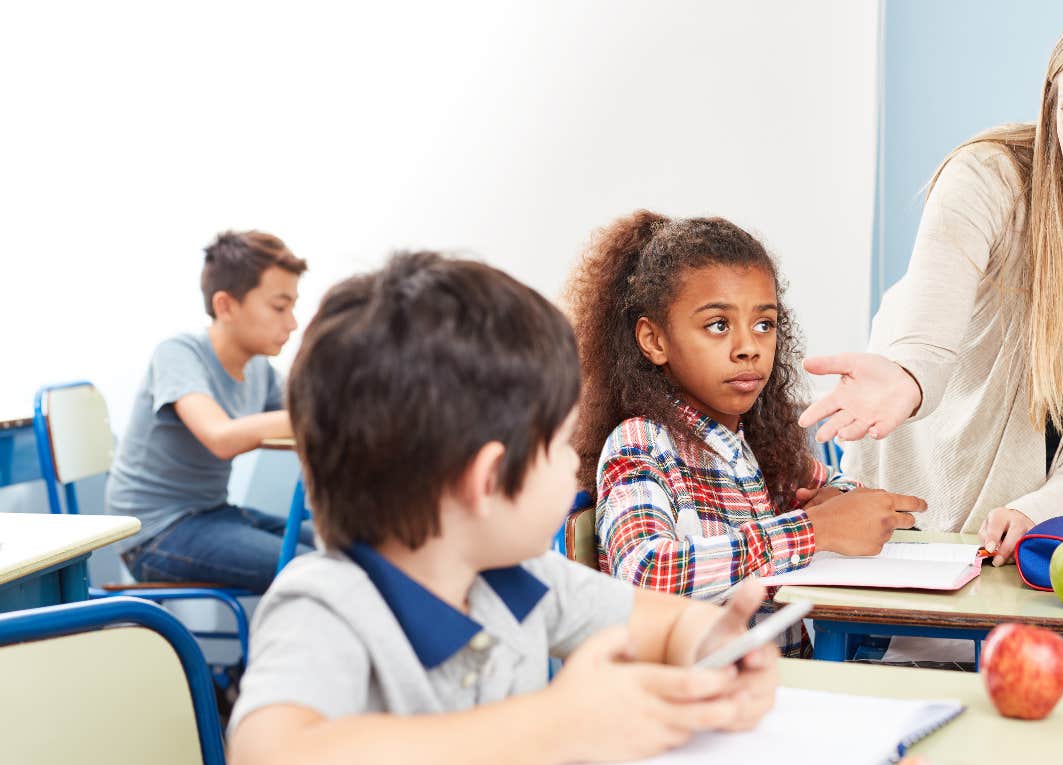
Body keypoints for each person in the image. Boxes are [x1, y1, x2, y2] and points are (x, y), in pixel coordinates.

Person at [227, 251, 779, 765]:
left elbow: (669, 624)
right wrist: (555, 724)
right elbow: (271, 752)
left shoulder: (517, 578)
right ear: (490, 481)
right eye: (559, 444)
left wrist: (715, 648)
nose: (571, 466)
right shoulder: (327, 604)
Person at [800, 0, 1063, 565]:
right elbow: (928, 337)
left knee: (1021, 645)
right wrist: (905, 377)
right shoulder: (988, 177)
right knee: (892, 643)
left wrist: (1041, 508)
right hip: (925, 457)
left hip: (1054, 498)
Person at [568, 210, 925, 657]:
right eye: (718, 325)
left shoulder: (753, 443)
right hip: (702, 707)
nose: (749, 347)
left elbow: (831, 487)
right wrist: (813, 529)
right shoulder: (641, 442)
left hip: (779, 688)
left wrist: (836, 500)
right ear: (654, 340)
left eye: (764, 324)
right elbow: (644, 573)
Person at [108, 230, 315, 593]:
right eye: (280, 307)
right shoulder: (178, 354)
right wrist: (321, 416)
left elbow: (306, 413)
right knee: (307, 569)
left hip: (213, 513)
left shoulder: (259, 372)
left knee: (346, 550)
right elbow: (220, 437)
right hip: (154, 534)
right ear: (225, 306)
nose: (292, 323)